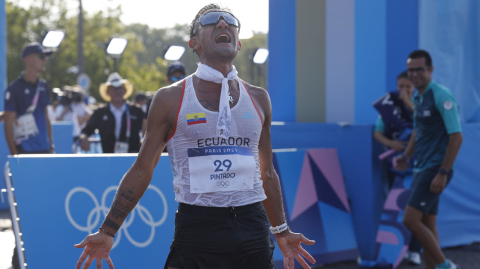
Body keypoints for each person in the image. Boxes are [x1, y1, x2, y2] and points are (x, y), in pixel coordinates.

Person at [74, 4, 316, 269]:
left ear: (238, 44)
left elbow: (266, 172)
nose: (223, 24)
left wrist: (281, 231)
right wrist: (108, 231)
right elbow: (143, 169)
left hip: (253, 229)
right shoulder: (170, 98)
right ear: (195, 43)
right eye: (212, 21)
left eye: (231, 21)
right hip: (198, 229)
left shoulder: (259, 98)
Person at [395, 50, 462, 269]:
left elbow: (457, 136)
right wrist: (406, 156)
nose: (414, 74)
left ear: (430, 70)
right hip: (420, 168)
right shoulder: (418, 96)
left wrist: (442, 172)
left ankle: (446, 266)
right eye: (411, 70)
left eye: (419, 69)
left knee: (410, 220)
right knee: (428, 225)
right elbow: (418, 130)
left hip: (435, 169)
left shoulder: (441, 95)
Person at [373, 71, 422, 265]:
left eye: (407, 87)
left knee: (416, 208)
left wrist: (408, 102)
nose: (403, 90)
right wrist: (391, 144)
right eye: (400, 86)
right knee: (396, 206)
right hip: (394, 165)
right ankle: (393, 251)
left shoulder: (420, 104)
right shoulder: (389, 107)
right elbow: (378, 132)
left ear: (414, 88)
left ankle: (415, 249)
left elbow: (423, 122)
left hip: (417, 166)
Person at [4, 42, 54, 155]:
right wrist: (14, 153)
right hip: (24, 150)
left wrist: (51, 146)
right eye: (41, 57)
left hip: (44, 149)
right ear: (28, 59)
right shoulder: (14, 88)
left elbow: (46, 118)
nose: (44, 60)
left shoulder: (44, 86)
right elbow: (8, 123)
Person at [79, 73, 146, 153]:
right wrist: (84, 138)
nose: (117, 91)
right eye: (113, 88)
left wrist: (144, 142)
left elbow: (148, 132)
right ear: (107, 92)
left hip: (133, 159)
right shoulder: (100, 112)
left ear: (125, 90)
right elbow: (85, 132)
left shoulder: (136, 111)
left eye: (120, 88)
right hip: (109, 160)